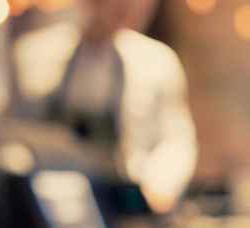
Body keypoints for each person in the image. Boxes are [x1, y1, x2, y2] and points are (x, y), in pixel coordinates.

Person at [13, 0, 197, 214]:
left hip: (127, 208)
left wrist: (159, 187)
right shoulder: (34, 55)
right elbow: (18, 136)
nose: (131, 6)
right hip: (56, 206)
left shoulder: (156, 62)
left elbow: (176, 140)